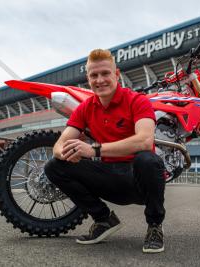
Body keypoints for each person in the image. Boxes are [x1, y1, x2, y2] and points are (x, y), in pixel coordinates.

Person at [44, 49, 166, 253]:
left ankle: (154, 226)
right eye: (94, 75)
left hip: (137, 180)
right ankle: (104, 220)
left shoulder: (137, 100)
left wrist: (94, 150)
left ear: (116, 74)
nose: (100, 80)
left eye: (105, 73)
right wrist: (66, 153)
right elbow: (59, 144)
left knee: (148, 159)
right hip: (108, 178)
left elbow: (145, 140)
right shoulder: (85, 108)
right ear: (88, 78)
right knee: (55, 166)